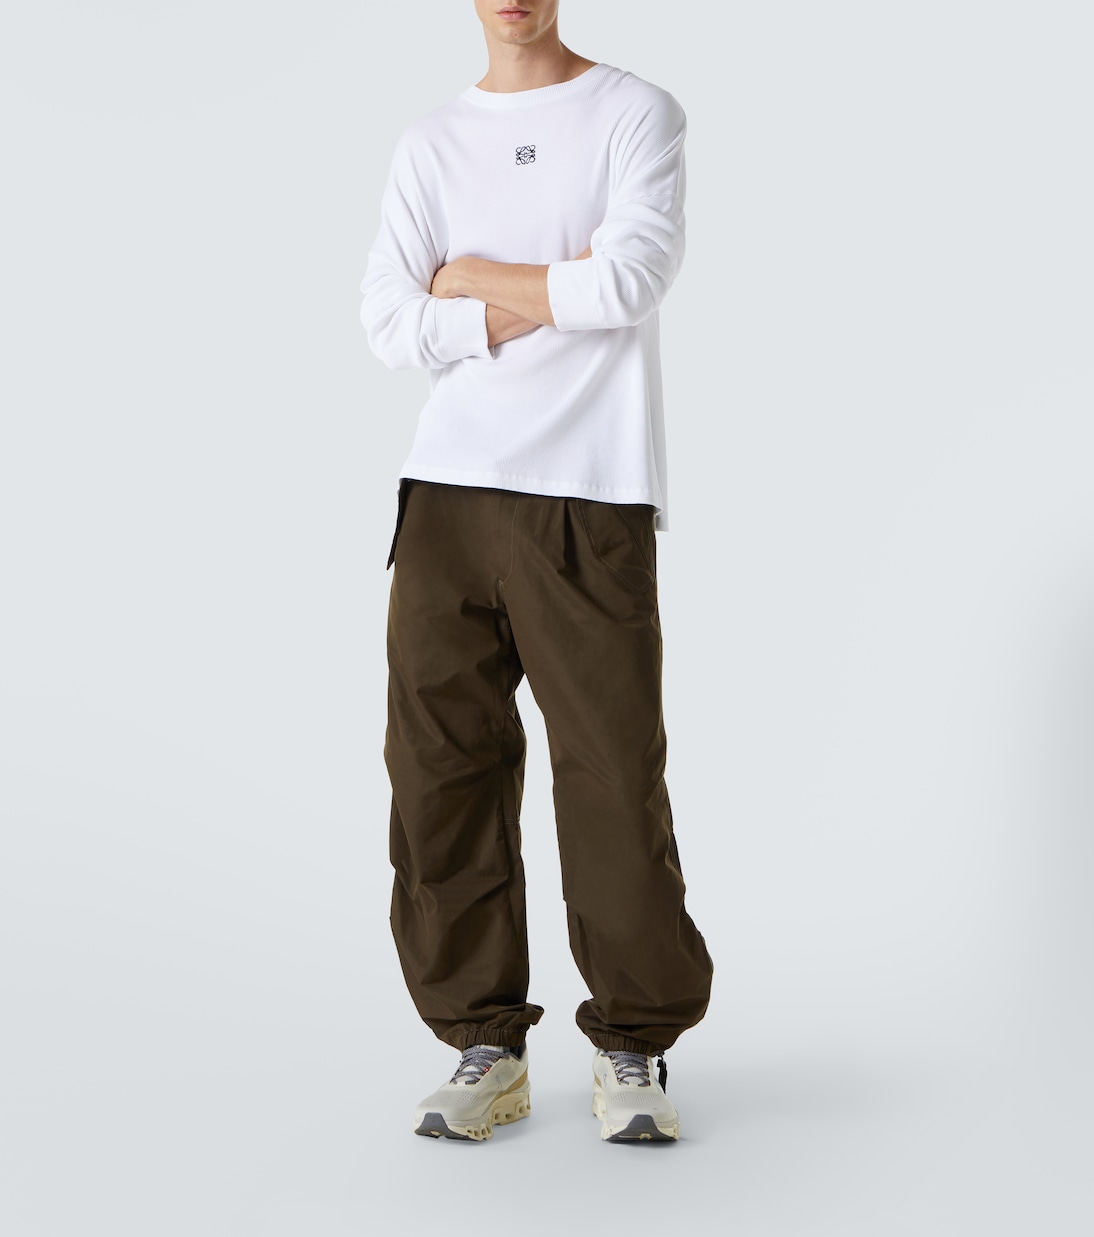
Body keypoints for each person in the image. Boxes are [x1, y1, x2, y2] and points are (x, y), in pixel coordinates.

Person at [359, 0, 714, 1143]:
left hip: (588, 494)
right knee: (437, 774)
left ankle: (632, 1042)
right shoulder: (429, 142)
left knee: (610, 774)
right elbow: (385, 321)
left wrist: (469, 278)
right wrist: (534, 294)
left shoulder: (633, 114)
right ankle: (485, 1042)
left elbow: (628, 282)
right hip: (445, 495)